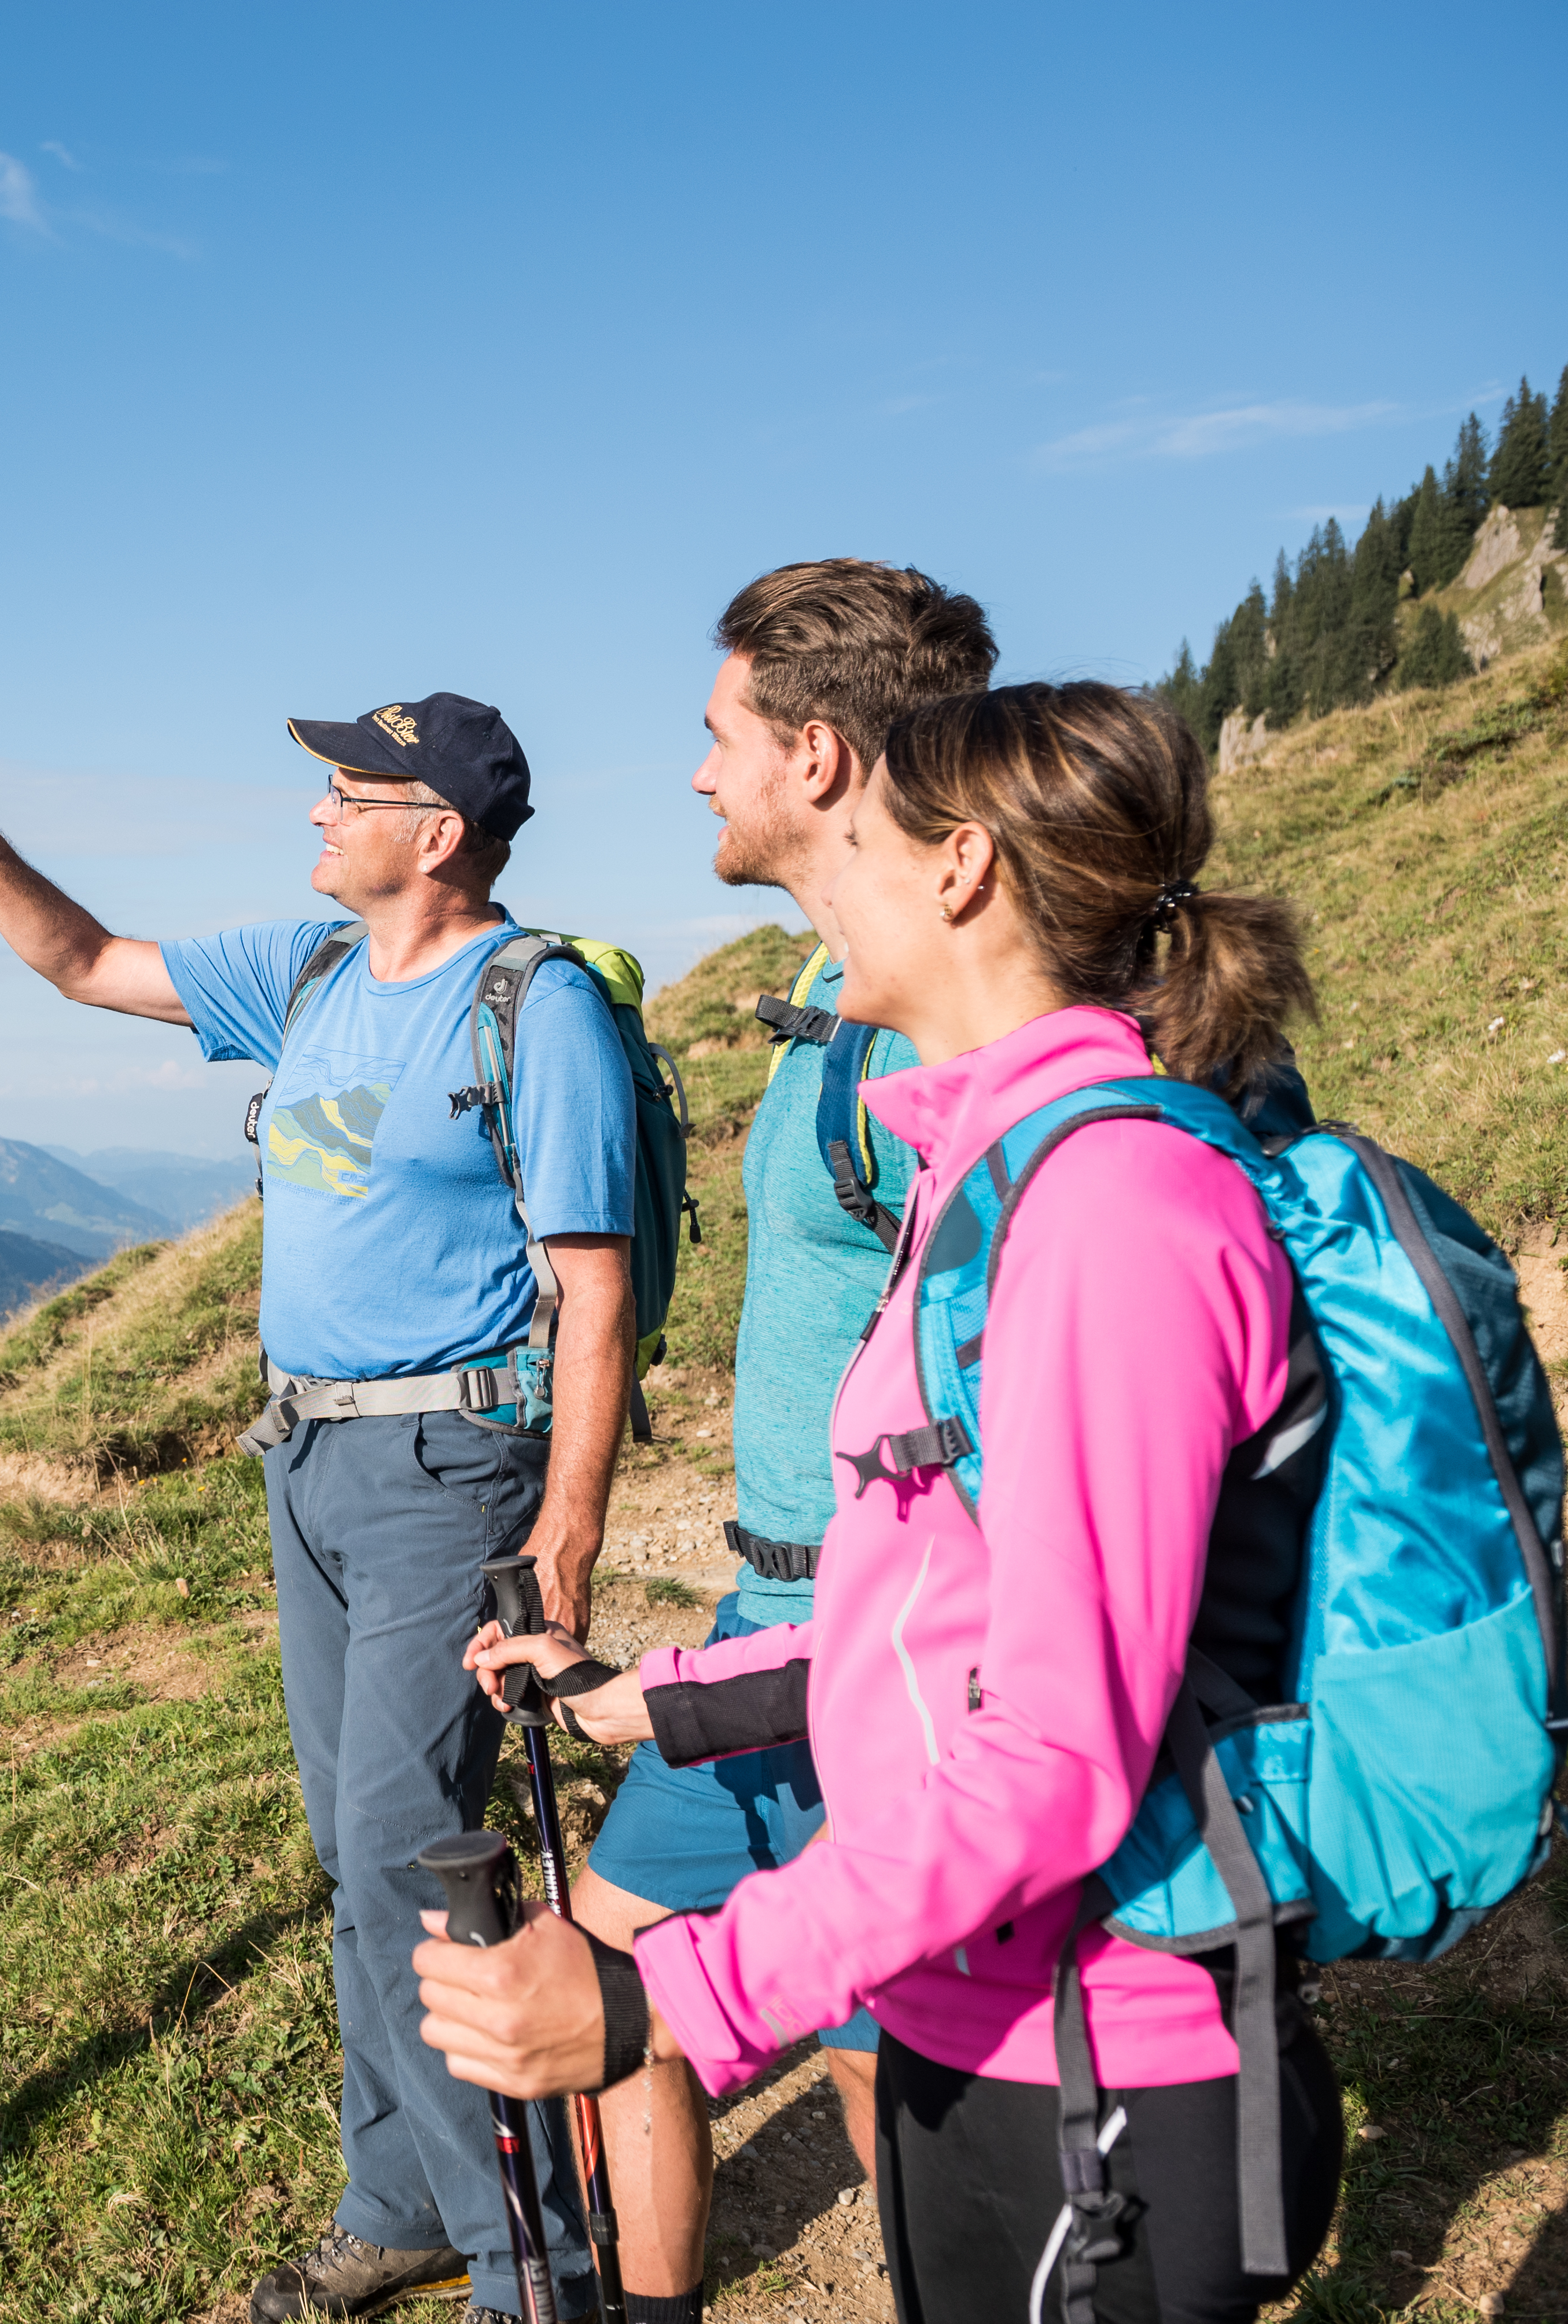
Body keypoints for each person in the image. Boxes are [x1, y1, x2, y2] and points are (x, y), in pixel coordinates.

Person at [421, 682, 1345, 2322]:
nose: (817, 873)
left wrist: (664, 2005)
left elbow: (1058, 1753)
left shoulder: (1115, 1207)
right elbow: (934, 1594)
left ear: (963, 870)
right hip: (962, 2010)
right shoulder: (983, 1172)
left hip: (1107, 2047)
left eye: (858, 838)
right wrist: (664, 1698)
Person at [0, 695, 638, 2323]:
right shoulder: (311, 970)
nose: (319, 813)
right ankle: (399, 2200)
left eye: (351, 791)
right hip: (309, 1463)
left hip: (449, 1470)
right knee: (358, 1856)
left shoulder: (534, 1008)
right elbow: (85, 963)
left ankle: (528, 2264)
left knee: (408, 1851)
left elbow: (595, 1295)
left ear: (441, 833)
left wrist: (568, 1535)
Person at [566, 560, 994, 2321]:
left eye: (717, 734)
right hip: (774, 1605)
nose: (696, 773)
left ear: (813, 755)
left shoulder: (945, 1004)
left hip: (866, 1629)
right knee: (652, 1975)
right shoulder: (844, 975)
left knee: (843, 2034)